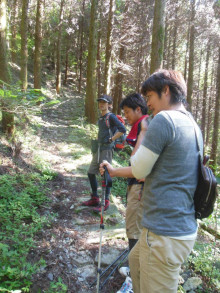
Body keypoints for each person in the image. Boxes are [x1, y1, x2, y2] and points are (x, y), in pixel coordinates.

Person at [100, 69, 203, 293]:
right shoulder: (193, 125)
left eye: (149, 98)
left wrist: (144, 133)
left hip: (163, 234)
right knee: (135, 262)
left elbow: (139, 169)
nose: (148, 105)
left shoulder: (164, 120)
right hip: (177, 229)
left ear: (165, 91)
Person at [116, 93, 149, 293]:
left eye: (128, 112)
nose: (126, 116)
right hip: (139, 185)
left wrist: (114, 171)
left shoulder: (145, 125)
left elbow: (137, 163)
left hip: (139, 186)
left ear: (138, 109)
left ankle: (133, 278)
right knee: (138, 228)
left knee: (134, 229)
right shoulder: (144, 124)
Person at [82, 94, 126, 212]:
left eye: (104, 102)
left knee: (105, 175)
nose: (101, 104)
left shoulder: (110, 117)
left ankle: (105, 201)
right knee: (91, 172)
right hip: (99, 148)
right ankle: (95, 198)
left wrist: (112, 139)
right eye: (100, 102)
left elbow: (122, 129)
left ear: (109, 105)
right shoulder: (101, 117)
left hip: (107, 149)